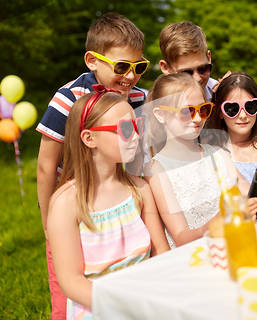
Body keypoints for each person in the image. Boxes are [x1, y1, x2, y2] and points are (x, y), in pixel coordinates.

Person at [35, 12, 149, 319]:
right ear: (91, 60)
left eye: (139, 67)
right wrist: (49, 223)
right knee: (67, 290)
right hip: (75, 206)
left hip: (117, 198)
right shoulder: (69, 97)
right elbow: (47, 166)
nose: (130, 76)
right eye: (122, 66)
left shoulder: (137, 96)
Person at [47, 85, 169, 320]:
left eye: (137, 126)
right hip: (99, 308)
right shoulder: (66, 203)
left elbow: (160, 251)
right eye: (125, 129)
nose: (135, 136)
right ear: (89, 138)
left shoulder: (140, 189)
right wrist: (124, 306)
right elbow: (71, 282)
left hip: (147, 299)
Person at [143, 73, 257, 248]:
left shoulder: (218, 153)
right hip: (195, 257)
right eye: (187, 111)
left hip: (234, 245)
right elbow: (181, 237)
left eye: (203, 109)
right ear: (161, 115)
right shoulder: (157, 169)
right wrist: (215, 223)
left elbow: (250, 195)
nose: (198, 118)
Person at [206, 71, 257, 191]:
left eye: (250, 107)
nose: (242, 115)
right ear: (220, 112)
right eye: (232, 108)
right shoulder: (207, 150)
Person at [158, 21, 217, 101]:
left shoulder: (220, 94)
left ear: (209, 58)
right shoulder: (157, 102)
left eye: (203, 68)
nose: (197, 78)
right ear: (166, 68)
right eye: (186, 73)